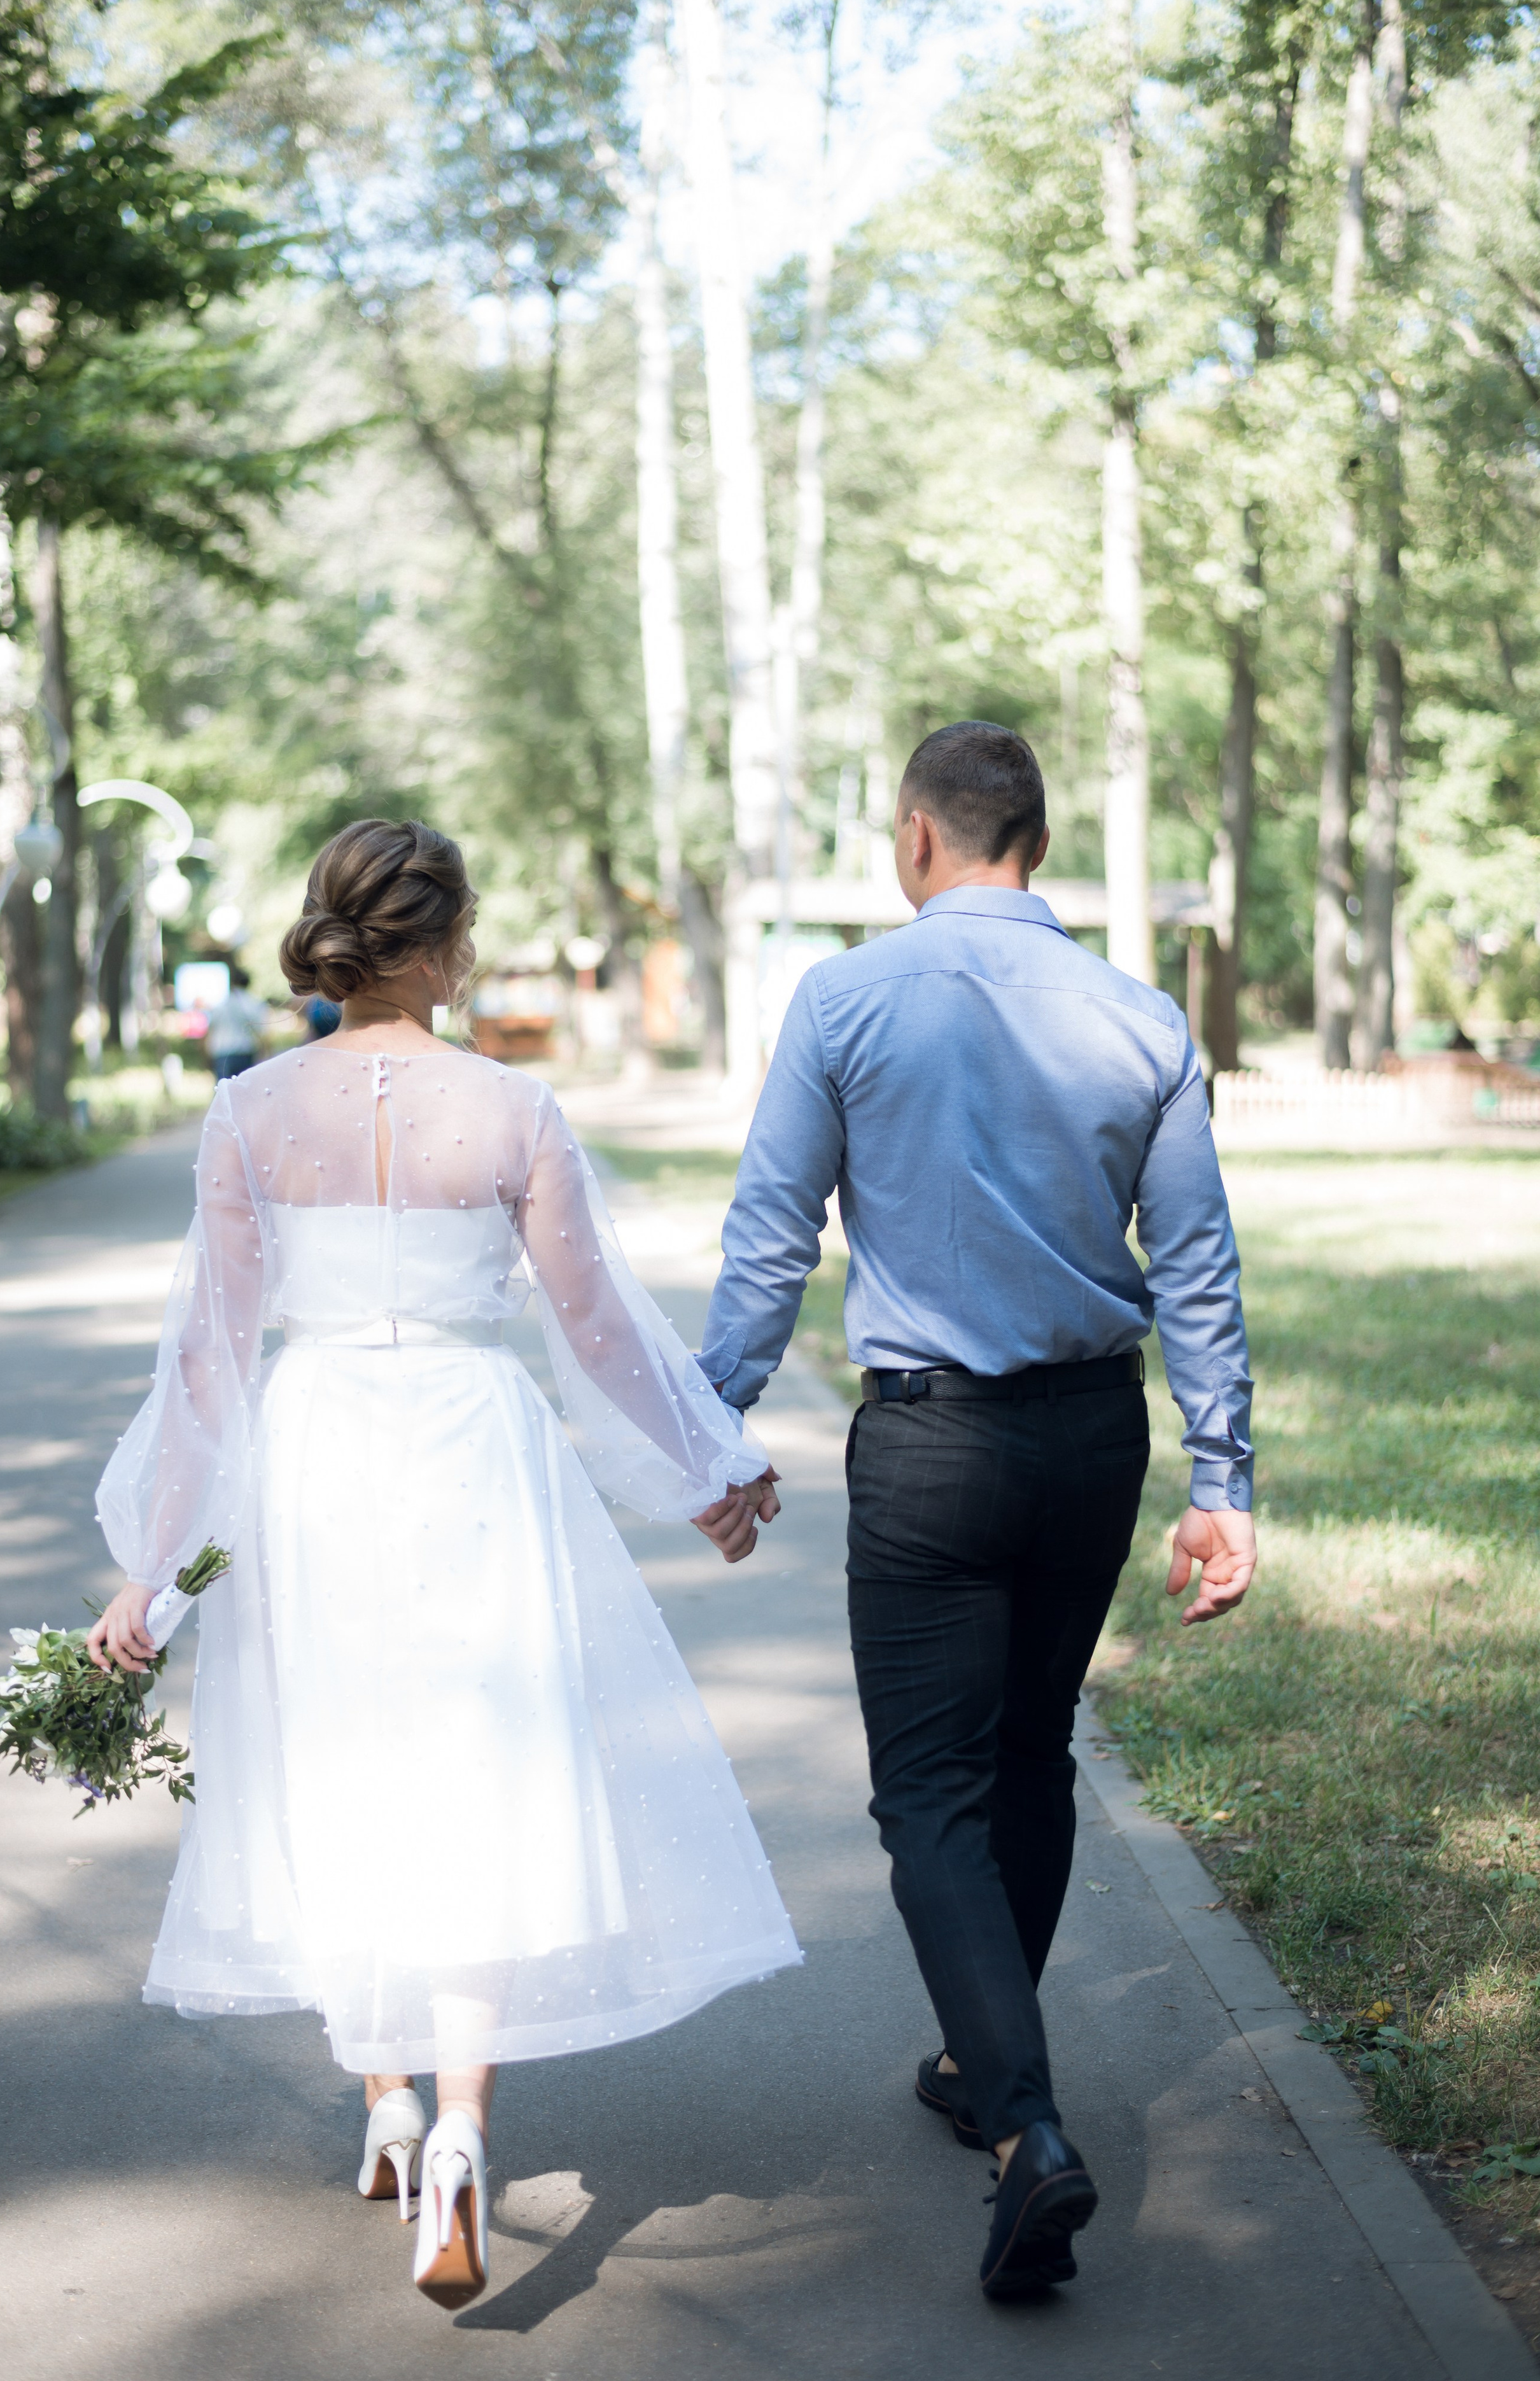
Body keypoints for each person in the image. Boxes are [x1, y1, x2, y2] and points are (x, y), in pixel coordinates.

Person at [88, 820, 794, 2311]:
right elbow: (596, 1328)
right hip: (471, 1447)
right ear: (451, 942)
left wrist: (154, 1571)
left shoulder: (248, 1114)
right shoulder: (510, 1105)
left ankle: (389, 2099)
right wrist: (709, 1467)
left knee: (339, 1758)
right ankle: (464, 2128)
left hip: (312, 1457)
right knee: (475, 1765)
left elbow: (209, 1364)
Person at [697, 721, 1256, 2303]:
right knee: (1027, 1752)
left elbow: (767, 1236)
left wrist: (707, 1425)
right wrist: (1222, 1480)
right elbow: (1197, 1263)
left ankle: (1023, 2126)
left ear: (918, 837)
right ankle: (975, 2057)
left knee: (929, 1790)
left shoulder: (845, 996)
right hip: (1091, 1435)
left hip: (929, 1444)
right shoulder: (1136, 1015)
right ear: (1029, 836)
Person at [205, 964, 269, 1081]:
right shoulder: (255, 1004)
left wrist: (208, 1055)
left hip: (223, 1055)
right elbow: (263, 1034)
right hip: (245, 1054)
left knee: (224, 1091)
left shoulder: (221, 1005)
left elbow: (211, 1030)